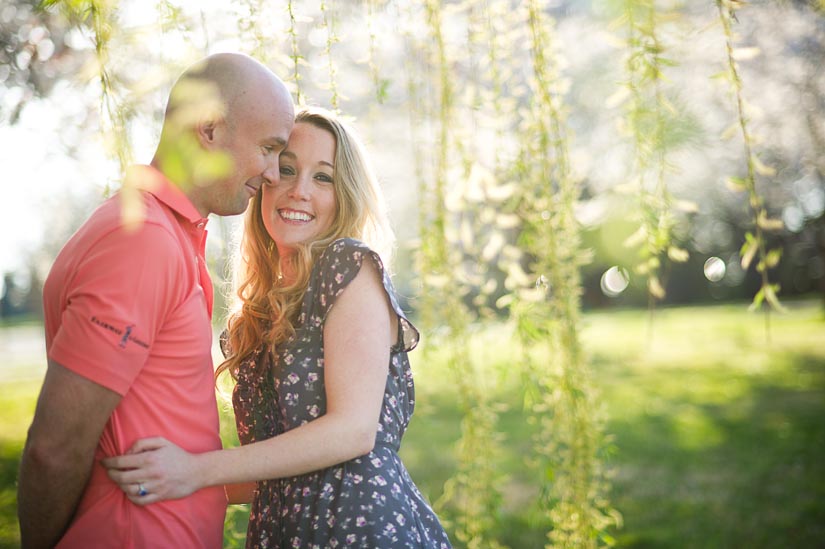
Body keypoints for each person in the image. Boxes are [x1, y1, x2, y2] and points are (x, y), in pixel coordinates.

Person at [103, 107, 452, 548]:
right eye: (286, 170)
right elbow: (275, 469)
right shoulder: (260, 312)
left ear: (344, 195)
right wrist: (160, 482)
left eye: (322, 178)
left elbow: (352, 431)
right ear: (264, 179)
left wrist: (196, 469)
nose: (299, 191)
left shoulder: (349, 267)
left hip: (359, 527)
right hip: (284, 531)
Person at [17, 52, 294, 549]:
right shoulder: (141, 240)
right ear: (208, 129)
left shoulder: (165, 232)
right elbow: (53, 449)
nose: (274, 174)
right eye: (269, 148)